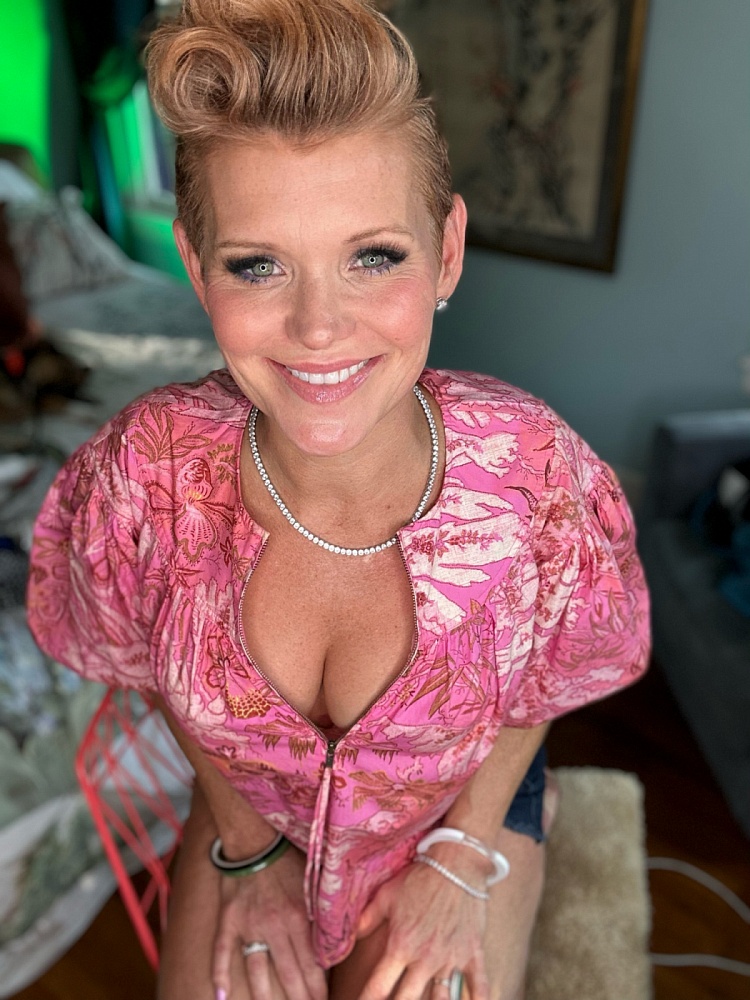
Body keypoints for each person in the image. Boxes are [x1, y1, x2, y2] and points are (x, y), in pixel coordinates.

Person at [26, 1, 651, 998]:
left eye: (373, 256)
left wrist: (465, 853)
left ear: (446, 251)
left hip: (460, 804)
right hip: (254, 812)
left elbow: (544, 680)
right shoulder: (141, 474)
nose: (318, 326)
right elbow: (150, 662)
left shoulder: (537, 470)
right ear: (196, 267)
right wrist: (246, 849)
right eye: (258, 264)